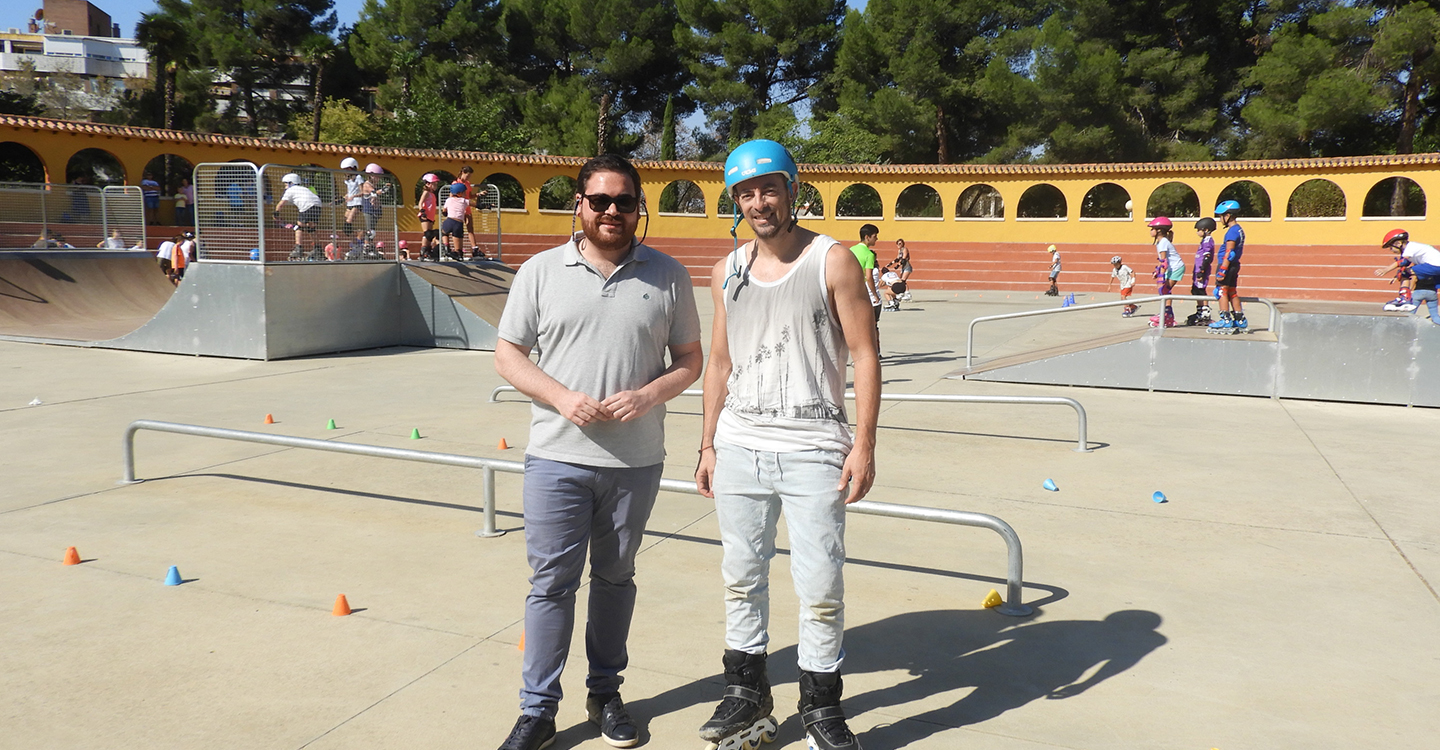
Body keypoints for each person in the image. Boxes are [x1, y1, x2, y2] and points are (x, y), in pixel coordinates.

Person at [493, 154, 703, 750]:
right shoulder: (539, 271)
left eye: (625, 201)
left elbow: (691, 359)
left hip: (635, 462)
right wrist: (560, 397)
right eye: (600, 201)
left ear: (640, 207)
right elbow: (509, 355)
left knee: (614, 578)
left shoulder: (668, 275)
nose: (612, 211)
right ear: (579, 205)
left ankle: (606, 692)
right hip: (556, 458)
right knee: (551, 583)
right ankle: (538, 709)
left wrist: (648, 394)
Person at [695, 139, 880, 750]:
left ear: (792, 188)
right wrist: (707, 445)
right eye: (745, 193)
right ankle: (745, 692)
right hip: (740, 444)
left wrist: (865, 443)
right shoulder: (728, 271)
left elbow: (864, 353)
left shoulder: (833, 262)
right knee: (742, 574)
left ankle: (822, 705)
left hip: (814, 447)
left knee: (820, 582)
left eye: (768, 188)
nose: (758, 202)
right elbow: (719, 360)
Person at [1374, 229, 1440, 312]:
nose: (1391, 251)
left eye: (1391, 248)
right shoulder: (1412, 249)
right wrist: (1396, 276)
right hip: (1435, 266)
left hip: (1435, 265)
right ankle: (1405, 298)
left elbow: (1402, 262)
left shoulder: (1410, 247)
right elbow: (1405, 264)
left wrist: (1385, 270)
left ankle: (1405, 298)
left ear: (1398, 243)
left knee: (1405, 272)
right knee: (1404, 272)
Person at [1209, 201, 1247, 333]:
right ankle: (1240, 318)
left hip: (1227, 264)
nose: (1220, 219)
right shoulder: (1239, 230)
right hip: (1235, 265)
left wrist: (1222, 270)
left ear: (1228, 216)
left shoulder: (1232, 232)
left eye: (1221, 216)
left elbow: (1229, 253)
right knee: (1232, 291)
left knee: (1221, 291)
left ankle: (1225, 319)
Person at [274, 173, 321, 261]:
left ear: (291, 183)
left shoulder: (290, 190)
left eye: (285, 184)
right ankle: (318, 249)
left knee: (299, 226)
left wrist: (275, 213)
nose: (285, 186)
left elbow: (281, 204)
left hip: (307, 206)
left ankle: (298, 248)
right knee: (311, 227)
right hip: (317, 205)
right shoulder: (304, 188)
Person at [1148, 216, 1180, 327]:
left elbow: (1164, 260)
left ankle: (1167, 315)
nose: (1150, 231)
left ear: (1159, 230)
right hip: (1173, 268)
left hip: (1176, 268)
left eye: (1152, 229)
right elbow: (1161, 260)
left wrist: (1161, 275)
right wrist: (1157, 270)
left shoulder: (1163, 242)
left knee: (1164, 290)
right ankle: (1167, 314)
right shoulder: (1161, 242)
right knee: (1165, 291)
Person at [850, 224, 881, 335]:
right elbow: (869, 277)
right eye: (875, 236)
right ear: (867, 237)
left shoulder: (851, 250)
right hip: (864, 292)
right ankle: (875, 351)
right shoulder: (869, 254)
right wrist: (875, 295)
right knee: (872, 326)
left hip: (851, 291)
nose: (876, 238)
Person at [1187, 218, 1216, 326]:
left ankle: (1205, 311)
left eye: (1199, 230)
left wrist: (1202, 270)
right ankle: (1199, 309)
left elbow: (1207, 257)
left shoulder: (1208, 241)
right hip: (1198, 269)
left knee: (1200, 290)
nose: (1197, 232)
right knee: (1195, 290)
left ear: (1206, 230)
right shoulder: (1204, 240)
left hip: (1201, 270)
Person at [442, 182, 469, 260]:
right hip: (458, 223)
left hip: (449, 221)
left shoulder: (448, 200)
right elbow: (475, 204)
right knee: (458, 238)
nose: (465, 194)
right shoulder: (464, 201)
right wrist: (486, 206)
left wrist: (446, 213)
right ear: (459, 193)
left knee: (444, 232)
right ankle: (458, 253)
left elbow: (444, 211)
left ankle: (446, 247)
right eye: (464, 192)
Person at [417, 173, 441, 260]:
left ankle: (428, 250)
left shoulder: (432, 194)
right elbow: (420, 202)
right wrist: (422, 211)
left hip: (430, 217)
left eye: (436, 184)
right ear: (427, 183)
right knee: (427, 234)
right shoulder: (426, 192)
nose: (435, 186)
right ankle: (423, 252)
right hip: (425, 216)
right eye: (434, 184)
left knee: (430, 235)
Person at [341, 157, 364, 239]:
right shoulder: (348, 180)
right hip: (350, 203)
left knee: (348, 223)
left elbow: (362, 192)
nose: (345, 171)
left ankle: (358, 241)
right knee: (345, 227)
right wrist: (343, 198)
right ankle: (356, 240)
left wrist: (354, 196)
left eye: (347, 169)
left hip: (357, 203)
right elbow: (349, 192)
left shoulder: (358, 177)